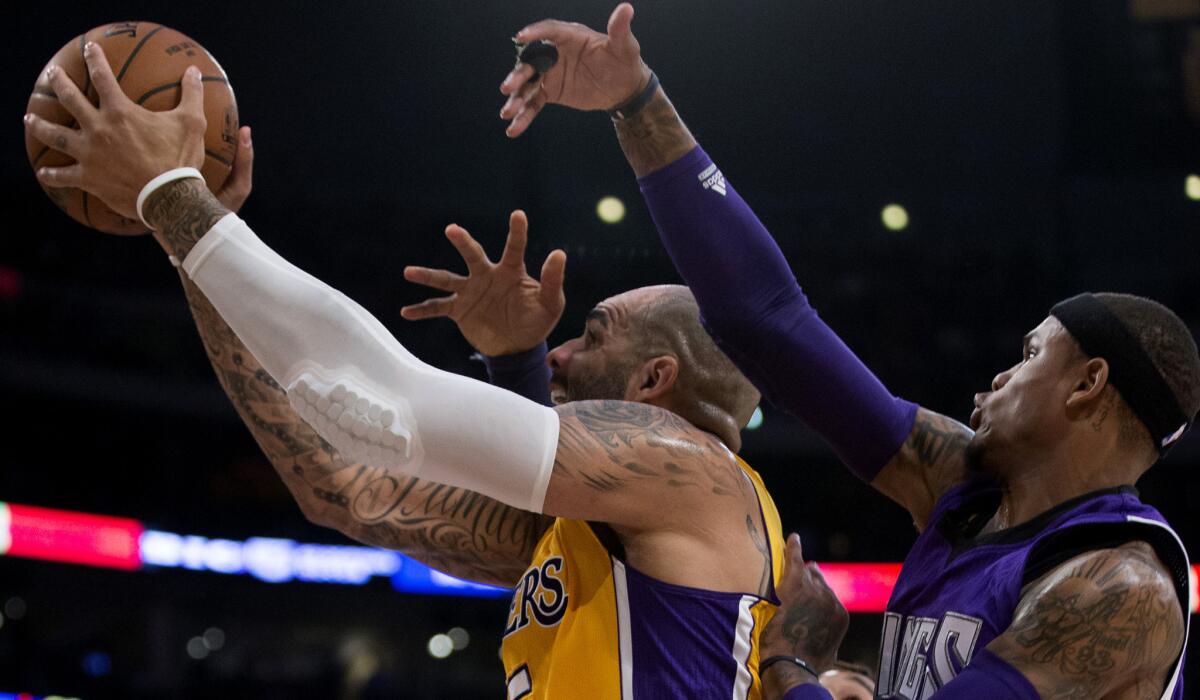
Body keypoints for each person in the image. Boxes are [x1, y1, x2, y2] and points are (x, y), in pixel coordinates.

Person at [24, 43, 797, 699]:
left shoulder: (688, 470)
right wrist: (191, 255)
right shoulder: (606, 533)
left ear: (653, 382)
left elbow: (383, 405)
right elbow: (344, 482)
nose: (562, 349)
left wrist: (176, 199)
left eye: (594, 335)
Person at [497, 4, 1196, 699]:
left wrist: (793, 664)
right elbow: (763, 319)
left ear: (1086, 383)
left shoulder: (1119, 588)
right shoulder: (959, 484)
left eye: (1032, 354)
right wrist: (637, 101)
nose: (1001, 374)